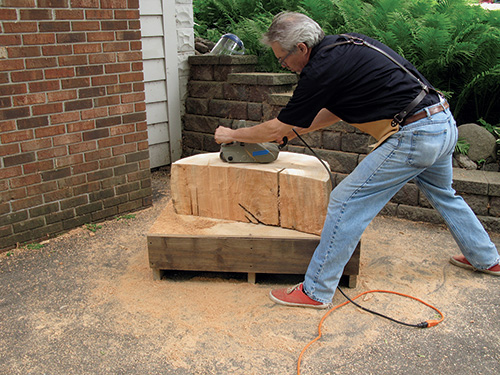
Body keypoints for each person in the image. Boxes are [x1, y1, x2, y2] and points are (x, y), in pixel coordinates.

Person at [214, 12, 500, 309]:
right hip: (441, 124)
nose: (282, 65)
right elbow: (335, 111)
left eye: (283, 58)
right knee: (444, 194)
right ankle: (486, 258)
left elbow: (274, 127)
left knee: (344, 201)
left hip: (414, 136)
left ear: (301, 48)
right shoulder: (343, 48)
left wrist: (234, 133)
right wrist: (293, 130)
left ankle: (315, 291)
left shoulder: (320, 68)